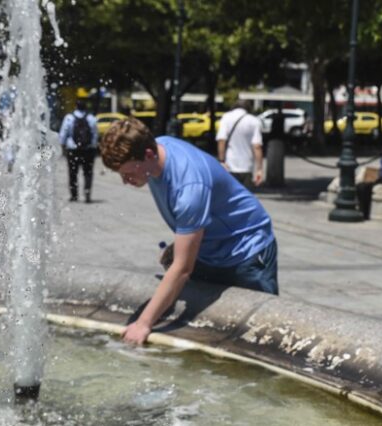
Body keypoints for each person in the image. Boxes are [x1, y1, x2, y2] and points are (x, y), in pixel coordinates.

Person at [100, 117, 278, 345]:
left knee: (259, 336)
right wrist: (181, 244)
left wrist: (143, 324)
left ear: (148, 155)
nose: (126, 181)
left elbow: (183, 269)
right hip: (212, 248)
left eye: (129, 173)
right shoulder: (159, 146)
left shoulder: (189, 188)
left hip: (248, 251)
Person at [216, 100, 264, 188]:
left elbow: (221, 140)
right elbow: (257, 146)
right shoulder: (254, 121)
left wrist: (221, 161)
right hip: (247, 166)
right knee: (245, 198)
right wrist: (259, 169)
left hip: (229, 165)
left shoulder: (226, 118)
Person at [59, 100, 98, 203]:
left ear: (76, 106)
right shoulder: (91, 118)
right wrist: (93, 147)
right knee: (88, 173)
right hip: (88, 150)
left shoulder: (69, 118)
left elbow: (63, 133)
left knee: (72, 173)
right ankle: (87, 193)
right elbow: (94, 135)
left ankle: (74, 195)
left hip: (73, 150)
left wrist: (62, 145)